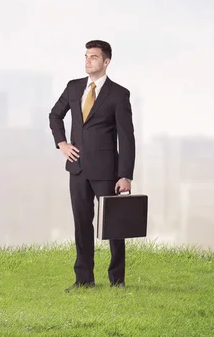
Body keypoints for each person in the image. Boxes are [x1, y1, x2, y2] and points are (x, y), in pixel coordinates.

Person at [48, 39, 135, 291]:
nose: (88, 60)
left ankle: (117, 280)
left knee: (114, 227)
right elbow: (55, 115)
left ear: (106, 62)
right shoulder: (74, 87)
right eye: (86, 56)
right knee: (81, 224)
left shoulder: (119, 94)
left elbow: (126, 137)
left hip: (108, 171)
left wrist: (125, 175)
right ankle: (84, 280)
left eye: (94, 57)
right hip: (77, 168)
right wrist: (61, 143)